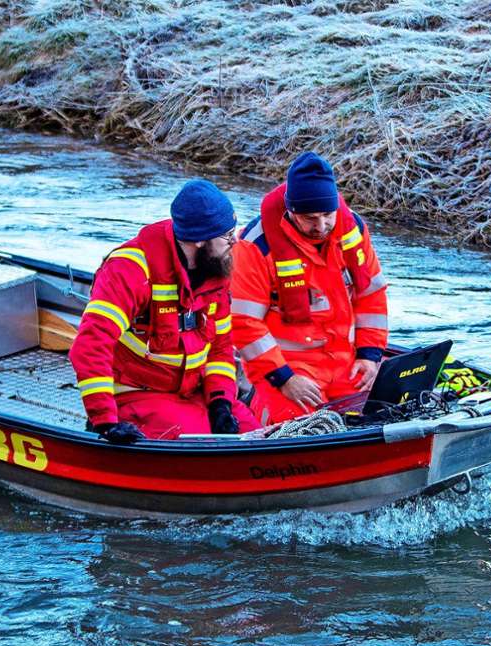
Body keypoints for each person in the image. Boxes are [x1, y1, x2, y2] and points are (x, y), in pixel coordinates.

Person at [69, 179, 260, 443]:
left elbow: (220, 348)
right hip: (136, 393)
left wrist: (220, 404)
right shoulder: (131, 269)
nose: (234, 243)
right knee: (199, 443)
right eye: (228, 236)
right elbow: (90, 345)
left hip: (190, 390)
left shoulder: (214, 270)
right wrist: (106, 421)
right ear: (200, 240)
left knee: (253, 431)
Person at [230, 151, 389, 424]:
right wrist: (284, 378)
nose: (321, 226)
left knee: (383, 413)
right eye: (310, 218)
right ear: (291, 212)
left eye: (327, 215)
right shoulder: (255, 246)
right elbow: (244, 323)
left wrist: (370, 355)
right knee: (294, 428)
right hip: (287, 367)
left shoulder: (354, 230)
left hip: (347, 363)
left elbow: (371, 295)